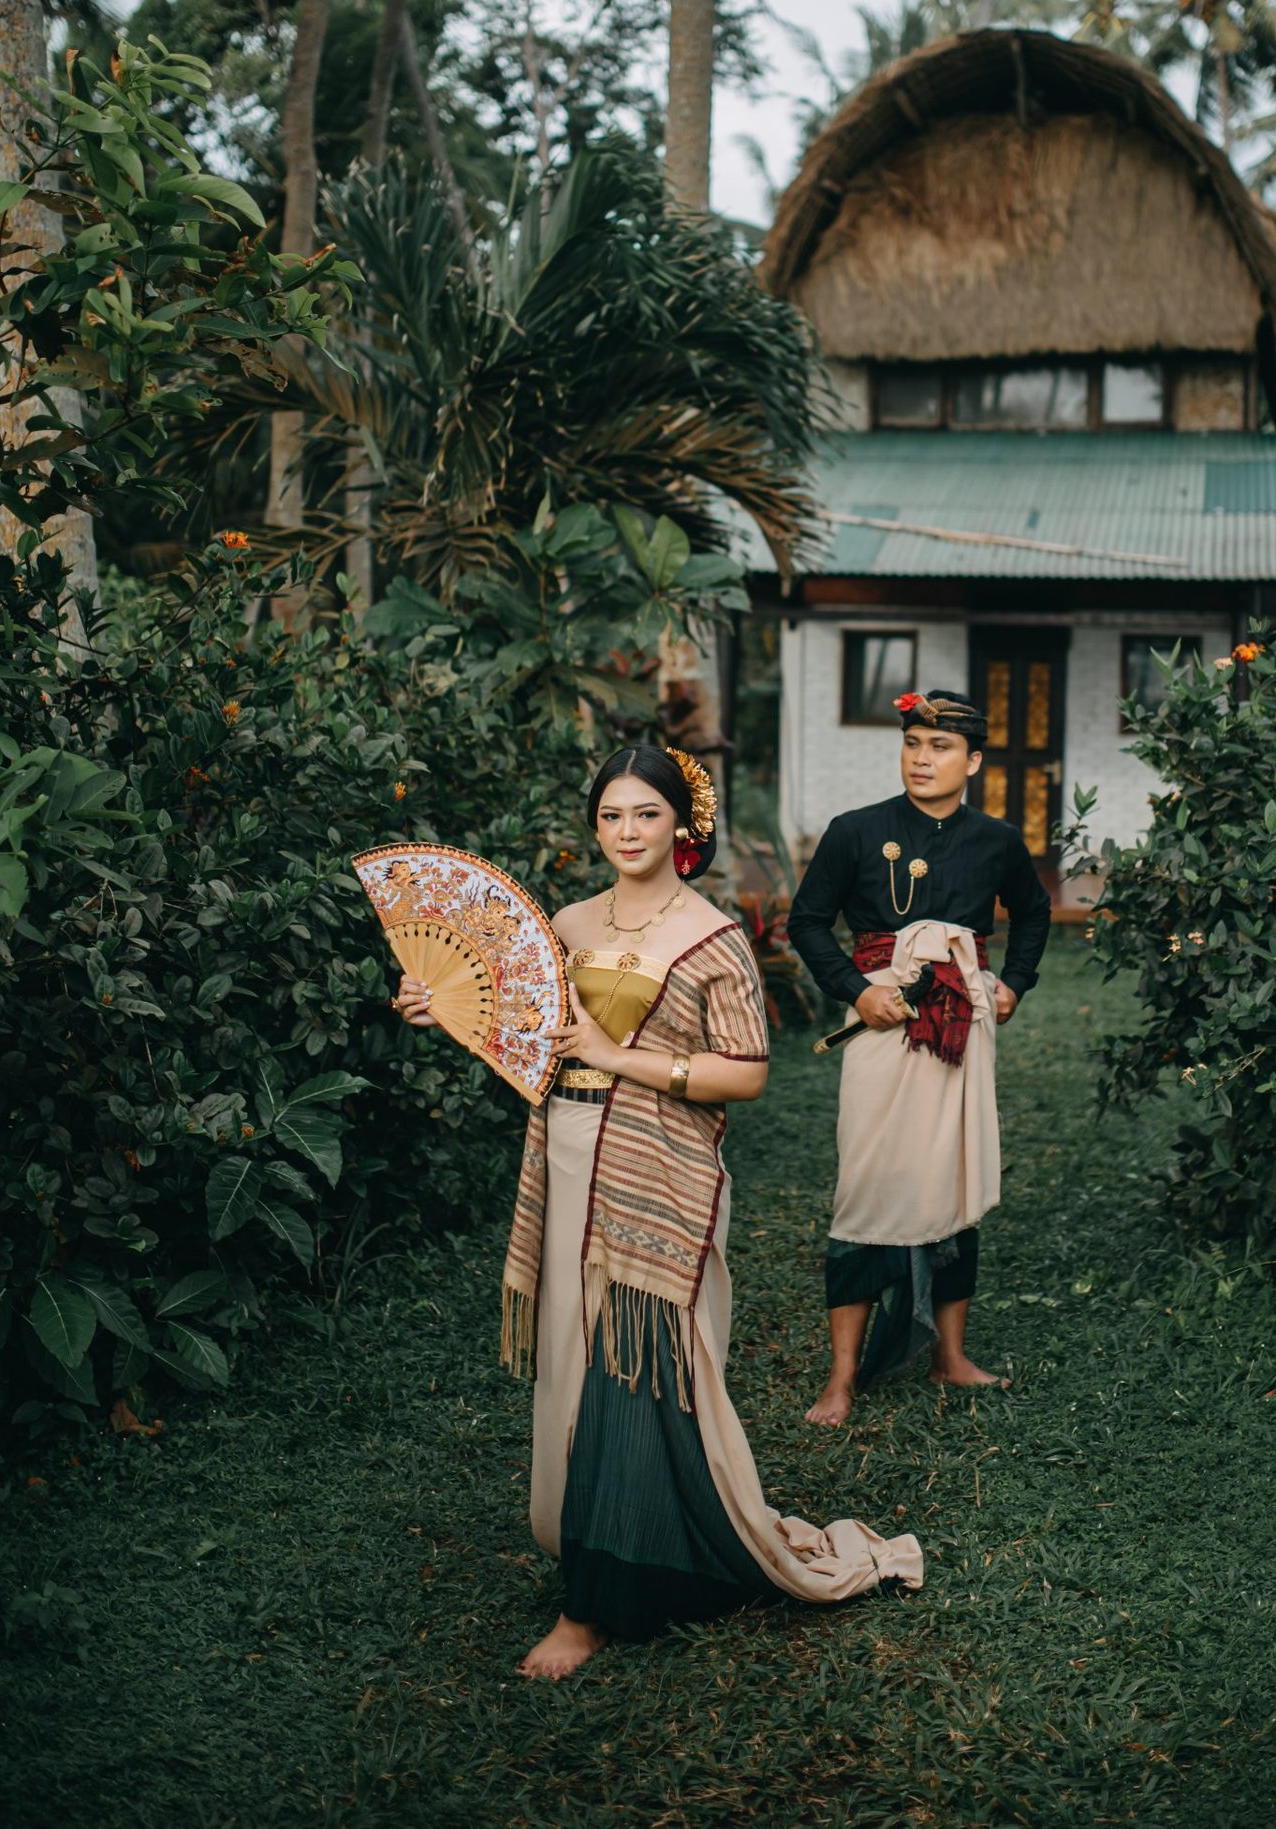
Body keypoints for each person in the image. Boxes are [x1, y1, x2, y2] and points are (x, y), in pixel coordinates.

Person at [395, 742, 921, 1682]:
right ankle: (635, 1540)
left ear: (682, 822)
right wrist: (449, 1010)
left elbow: (746, 1073)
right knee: (576, 1356)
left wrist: (621, 1055)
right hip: (566, 1155)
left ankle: (589, 1610)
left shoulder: (710, 935)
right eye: (611, 814)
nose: (627, 831)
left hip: (657, 1170)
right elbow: (537, 1041)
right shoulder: (566, 922)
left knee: (626, 1362)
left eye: (646, 813)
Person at [787, 689, 1051, 1427]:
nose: (922, 759)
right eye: (912, 744)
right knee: (866, 1182)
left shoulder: (998, 841)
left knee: (951, 1174)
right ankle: (842, 1376)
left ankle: (949, 1355)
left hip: (961, 1022)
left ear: (973, 761)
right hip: (881, 1017)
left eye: (940, 747)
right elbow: (807, 922)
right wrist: (856, 990)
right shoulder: (855, 831)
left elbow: (1033, 913)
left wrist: (1014, 982)